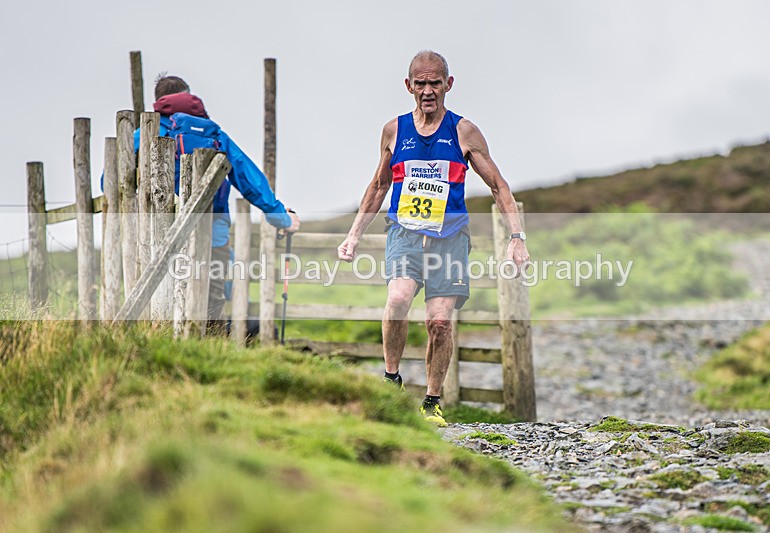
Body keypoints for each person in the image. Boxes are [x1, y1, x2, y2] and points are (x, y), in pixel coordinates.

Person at [337, 51, 529, 426]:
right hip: (404, 232)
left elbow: (498, 186)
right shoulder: (394, 130)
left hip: (450, 239)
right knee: (397, 298)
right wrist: (353, 234)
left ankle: (431, 401)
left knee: (439, 322)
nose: (428, 91)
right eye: (420, 84)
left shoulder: (463, 131)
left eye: (435, 83)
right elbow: (379, 185)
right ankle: (392, 379)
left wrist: (517, 236)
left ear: (448, 85)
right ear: (409, 86)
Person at [107, 74, 300, 332]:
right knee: (211, 299)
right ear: (189, 95)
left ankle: (159, 344)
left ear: (158, 102)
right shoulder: (213, 132)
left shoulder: (145, 132)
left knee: (160, 294)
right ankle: (208, 348)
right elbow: (247, 177)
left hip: (157, 230)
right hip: (214, 231)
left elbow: (110, 183)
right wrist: (280, 217)